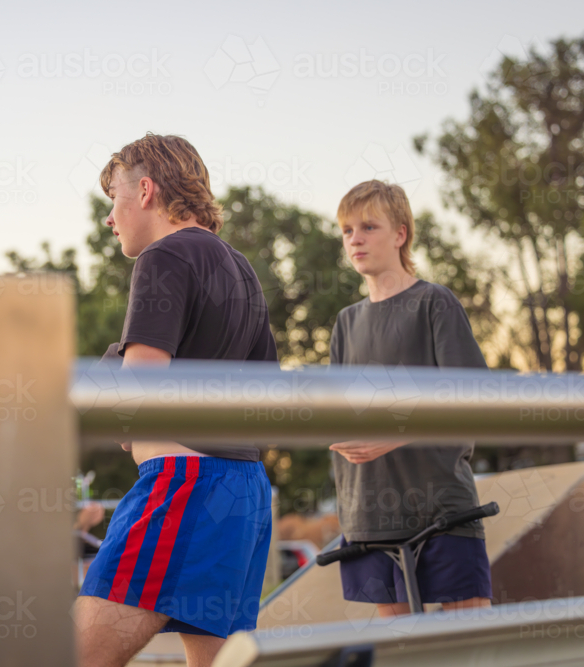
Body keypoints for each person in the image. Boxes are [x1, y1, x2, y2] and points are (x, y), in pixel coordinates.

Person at [74, 134, 278, 667]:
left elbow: (143, 387)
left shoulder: (165, 255)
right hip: (245, 493)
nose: (110, 218)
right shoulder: (242, 270)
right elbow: (267, 396)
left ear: (145, 191)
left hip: (184, 484)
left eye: (114, 200)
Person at [328, 180, 492, 618]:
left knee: (473, 647)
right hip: (370, 517)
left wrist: (394, 434)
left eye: (368, 226)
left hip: (442, 510)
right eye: (347, 230)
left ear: (400, 234)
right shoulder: (345, 323)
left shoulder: (434, 303)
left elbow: (476, 397)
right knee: (399, 655)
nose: (355, 239)